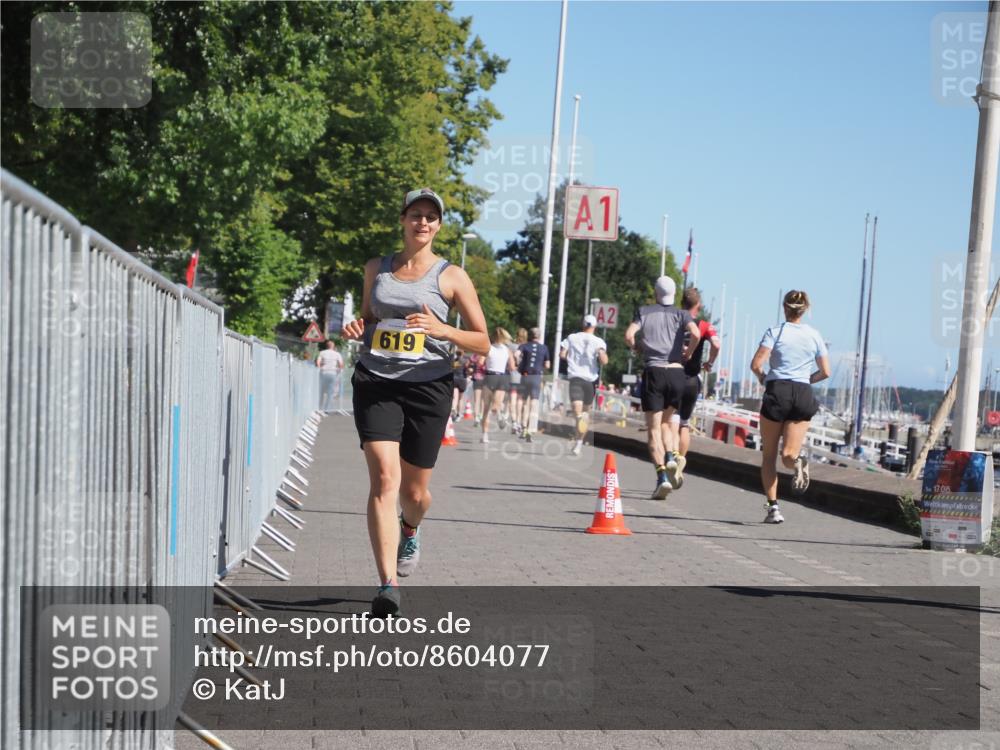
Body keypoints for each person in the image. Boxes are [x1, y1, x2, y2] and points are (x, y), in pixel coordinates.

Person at [342, 188, 489, 616]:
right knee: (384, 480)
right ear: (403, 220)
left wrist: (444, 331)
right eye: (415, 215)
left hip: (429, 386)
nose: (422, 223)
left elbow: (481, 341)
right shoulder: (377, 269)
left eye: (430, 217)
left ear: (439, 226)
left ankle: (411, 526)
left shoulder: (452, 276)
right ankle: (386, 585)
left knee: (415, 492)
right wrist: (357, 327)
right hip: (377, 380)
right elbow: (370, 319)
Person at [750, 289, 831, 524]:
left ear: (784, 308)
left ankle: (773, 508)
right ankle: (797, 463)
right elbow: (826, 371)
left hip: (778, 390)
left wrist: (764, 378)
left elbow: (756, 364)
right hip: (803, 392)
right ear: (805, 310)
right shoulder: (814, 335)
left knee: (769, 456)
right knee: (788, 454)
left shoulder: (775, 332)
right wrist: (807, 380)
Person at [625, 276, 700, 499]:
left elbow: (629, 335)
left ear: (656, 292)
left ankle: (661, 477)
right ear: (674, 293)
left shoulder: (644, 312)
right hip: (677, 373)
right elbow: (695, 333)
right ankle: (670, 456)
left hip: (654, 371)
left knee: (653, 429)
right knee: (669, 423)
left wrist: (637, 347)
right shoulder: (682, 314)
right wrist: (688, 352)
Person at [672, 287, 722, 488]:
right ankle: (681, 460)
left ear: (681, 303)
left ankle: (672, 456)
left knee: (670, 420)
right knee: (684, 423)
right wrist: (709, 362)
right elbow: (717, 345)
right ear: (698, 306)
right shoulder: (704, 326)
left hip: (673, 375)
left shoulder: (674, 320)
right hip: (693, 379)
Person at [560, 314, 608, 456]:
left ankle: (578, 441)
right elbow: (604, 361)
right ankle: (579, 443)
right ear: (594, 326)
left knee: (578, 413)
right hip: (590, 380)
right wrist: (599, 353)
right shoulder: (599, 341)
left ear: (583, 324)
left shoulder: (572, 338)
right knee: (584, 415)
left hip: (576, 377)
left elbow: (562, 355)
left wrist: (572, 359)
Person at [480, 328, 515, 443]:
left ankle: (485, 433)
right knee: (494, 406)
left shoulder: (489, 348)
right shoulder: (507, 350)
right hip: (500, 377)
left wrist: (487, 362)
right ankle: (499, 416)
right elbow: (512, 366)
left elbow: (480, 362)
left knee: (487, 408)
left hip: (490, 376)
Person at [516, 326, 550, 441]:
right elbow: (547, 365)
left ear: (529, 335)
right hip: (536, 377)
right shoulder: (544, 348)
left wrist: (519, 363)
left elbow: (516, 354)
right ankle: (531, 429)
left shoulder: (524, 346)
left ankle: (524, 427)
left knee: (525, 403)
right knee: (534, 404)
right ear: (539, 336)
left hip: (525, 375)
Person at [506, 328, 528, 433]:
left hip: (513, 375)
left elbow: (509, 362)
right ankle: (519, 422)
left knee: (512, 400)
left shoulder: (511, 346)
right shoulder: (528, 347)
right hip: (524, 376)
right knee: (520, 401)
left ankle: (514, 422)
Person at [316, 339, 345, 412]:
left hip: (323, 373)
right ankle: (326, 409)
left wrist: (320, 368)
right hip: (333, 374)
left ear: (326, 346)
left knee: (321, 391)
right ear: (333, 346)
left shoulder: (322, 353)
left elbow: (318, 362)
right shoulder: (337, 354)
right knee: (330, 392)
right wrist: (338, 370)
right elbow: (341, 365)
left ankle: (319, 407)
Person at [451, 348, 468, 420]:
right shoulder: (465, 361)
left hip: (454, 379)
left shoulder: (454, 362)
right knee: (460, 399)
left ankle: (453, 408)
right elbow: (467, 371)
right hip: (462, 380)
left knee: (455, 397)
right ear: (463, 353)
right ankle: (458, 414)